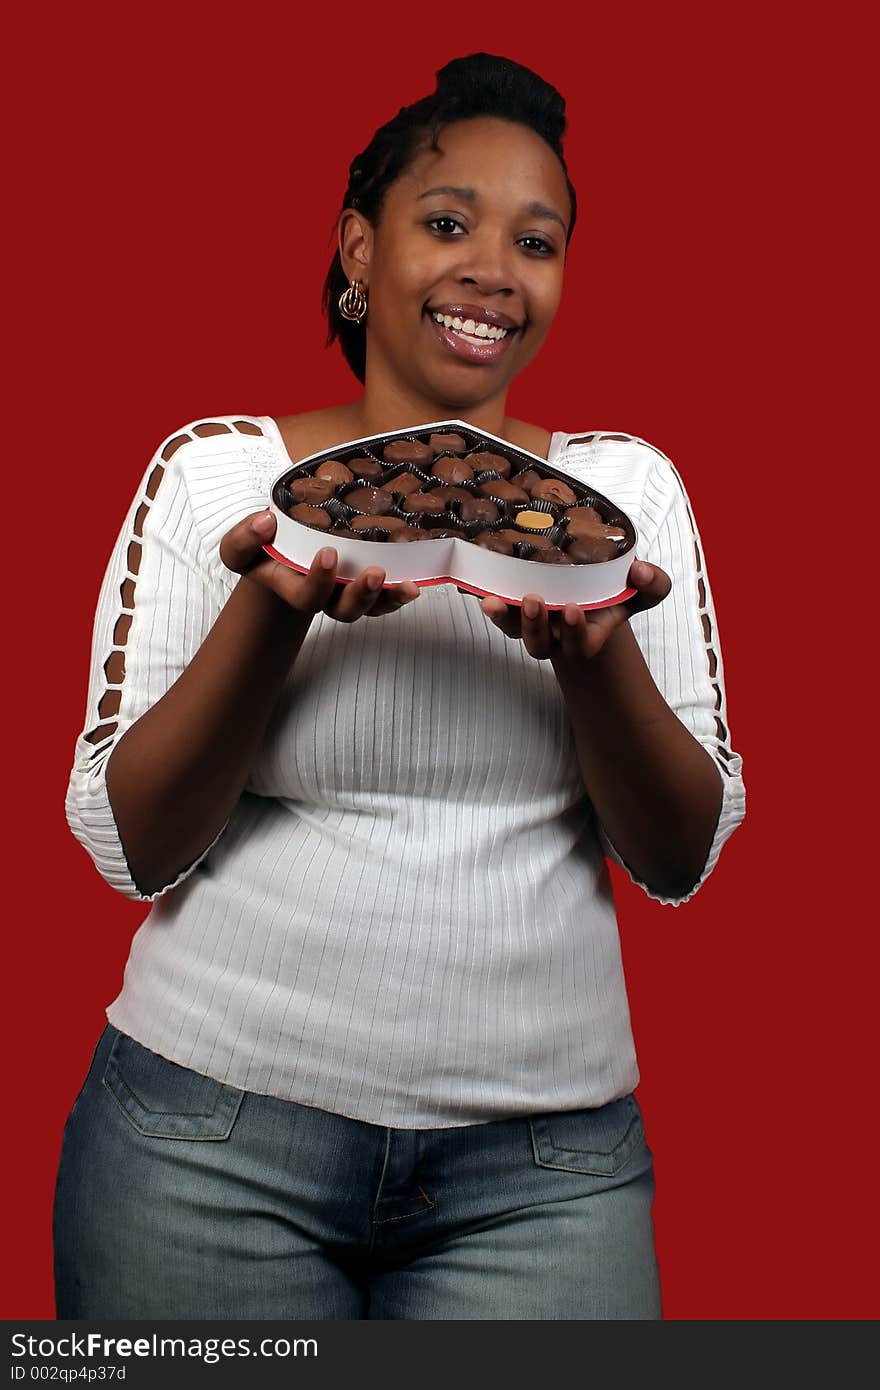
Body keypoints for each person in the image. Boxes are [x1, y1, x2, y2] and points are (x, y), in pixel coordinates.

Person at [55, 53, 745, 1321]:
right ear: (357, 250)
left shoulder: (624, 504)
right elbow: (131, 845)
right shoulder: (218, 479)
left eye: (535, 241)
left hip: (545, 1177)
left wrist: (602, 658)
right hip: (201, 1151)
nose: (493, 267)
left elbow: (679, 857)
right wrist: (273, 607)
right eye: (445, 224)